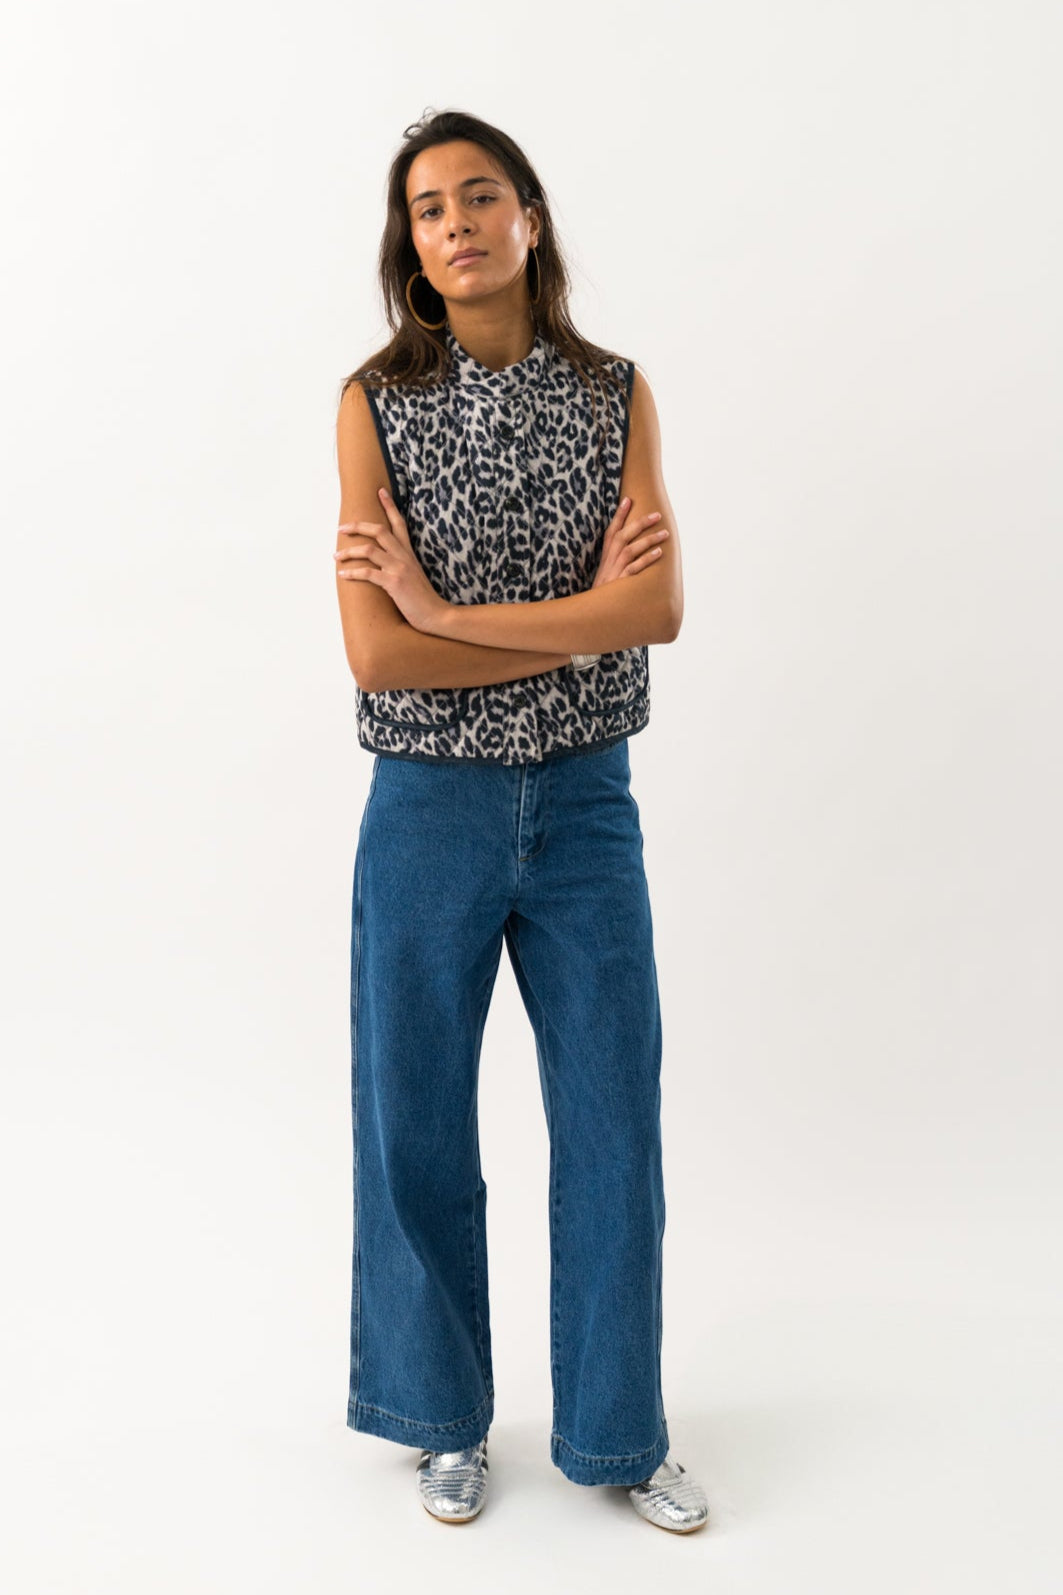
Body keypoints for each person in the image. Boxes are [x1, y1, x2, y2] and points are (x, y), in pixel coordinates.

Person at [332, 108, 707, 1535]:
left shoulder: (616, 394)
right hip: (428, 804)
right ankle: (440, 1418)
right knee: (414, 1117)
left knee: (614, 1120)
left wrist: (450, 613)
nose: (457, 224)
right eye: (429, 210)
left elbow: (656, 611)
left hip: (588, 806)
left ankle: (618, 1433)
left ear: (529, 218)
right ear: (413, 249)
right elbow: (378, 655)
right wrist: (566, 619)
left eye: (480, 196)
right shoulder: (374, 403)